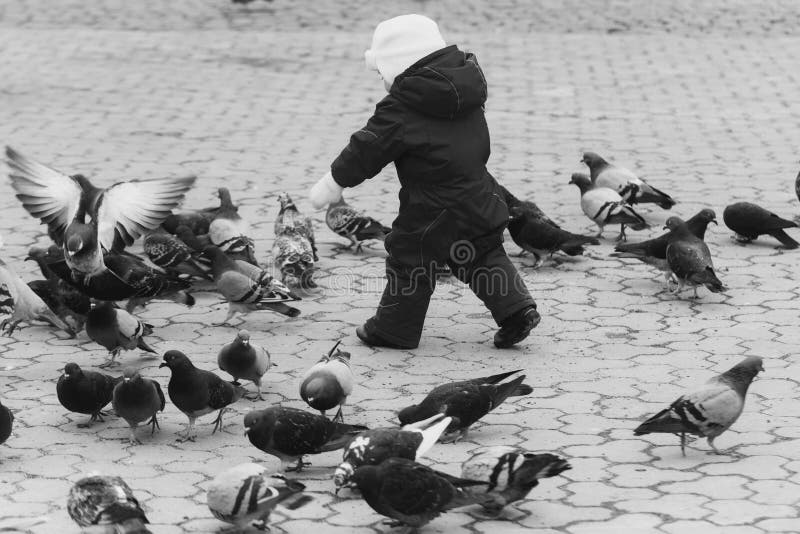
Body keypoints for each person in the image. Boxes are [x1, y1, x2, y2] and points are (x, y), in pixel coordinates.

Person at [309, 14, 539, 350]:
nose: (383, 81)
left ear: (399, 64)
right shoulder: (466, 88)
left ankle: (393, 330)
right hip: (480, 190)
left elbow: (367, 148)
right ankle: (517, 310)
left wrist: (334, 181)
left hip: (432, 204)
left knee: (410, 258)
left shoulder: (402, 105)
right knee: (481, 250)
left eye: (382, 72)